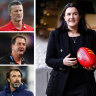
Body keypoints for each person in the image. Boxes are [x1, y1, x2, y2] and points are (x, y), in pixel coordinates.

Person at [45, 3, 96, 96]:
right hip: (60, 85)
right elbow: (49, 60)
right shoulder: (56, 34)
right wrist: (62, 62)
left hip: (84, 83)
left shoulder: (91, 35)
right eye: (68, 14)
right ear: (64, 17)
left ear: (80, 16)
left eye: (75, 14)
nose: (71, 17)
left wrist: (93, 66)